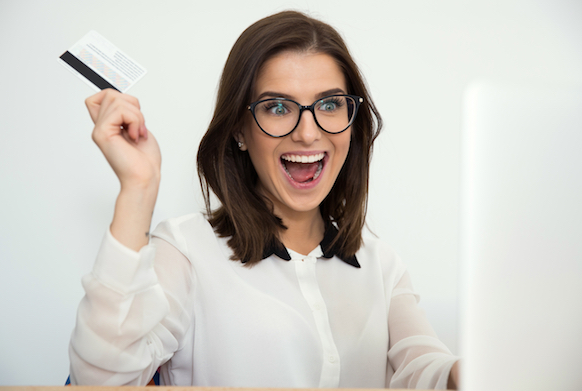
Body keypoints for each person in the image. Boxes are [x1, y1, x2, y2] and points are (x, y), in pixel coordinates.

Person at [69, 10, 460, 389]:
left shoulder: (382, 266)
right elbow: (102, 382)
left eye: (329, 104)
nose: (308, 134)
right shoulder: (187, 250)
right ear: (240, 129)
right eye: (277, 107)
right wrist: (139, 185)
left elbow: (427, 372)